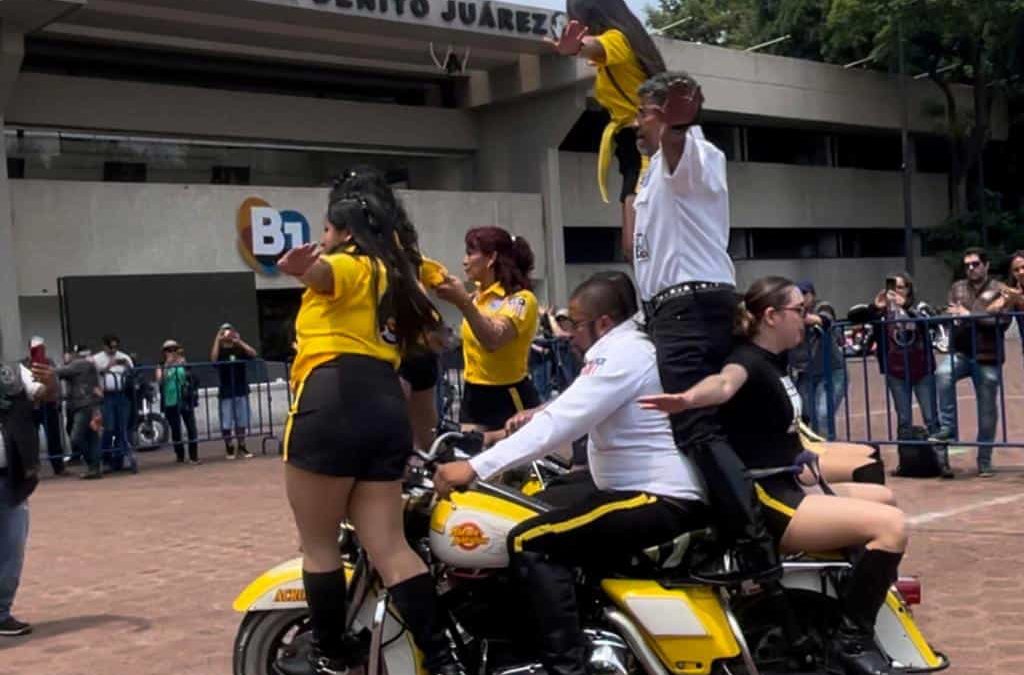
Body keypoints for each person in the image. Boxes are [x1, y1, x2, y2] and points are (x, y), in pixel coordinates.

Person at [435, 273, 708, 675]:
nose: (566, 334)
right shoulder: (625, 347)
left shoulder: (621, 352)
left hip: (657, 494)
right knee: (530, 505)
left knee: (531, 540)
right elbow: (573, 404)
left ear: (603, 323)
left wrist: (476, 467)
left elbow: (564, 424)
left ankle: (566, 666)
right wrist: (498, 435)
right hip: (625, 484)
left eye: (574, 323)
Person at [641, 276, 908, 675]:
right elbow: (724, 384)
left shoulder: (774, 359)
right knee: (892, 527)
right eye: (799, 311)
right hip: (767, 497)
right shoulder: (746, 359)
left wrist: (799, 454)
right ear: (770, 316)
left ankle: (846, 602)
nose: (810, 318)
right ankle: (849, 638)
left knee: (882, 499)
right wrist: (687, 399)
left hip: (786, 480)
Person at [273, 185, 460, 675]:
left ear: (348, 233)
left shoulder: (352, 264)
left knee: (318, 544)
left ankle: (331, 653)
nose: (323, 237)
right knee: (391, 547)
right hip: (384, 403)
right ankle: (442, 660)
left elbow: (324, 273)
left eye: (328, 230)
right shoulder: (399, 275)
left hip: (331, 396)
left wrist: (300, 268)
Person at [628, 70, 778, 576]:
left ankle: (755, 551)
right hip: (677, 308)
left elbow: (676, 142)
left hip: (689, 308)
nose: (633, 124)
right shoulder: (650, 170)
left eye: (641, 113)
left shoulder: (692, 152)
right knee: (704, 426)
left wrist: (673, 119)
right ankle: (730, 530)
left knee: (696, 429)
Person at [334, 166, 449, 450]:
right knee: (424, 442)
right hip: (411, 347)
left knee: (392, 447)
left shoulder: (365, 249)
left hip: (387, 350)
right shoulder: (402, 243)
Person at [547, 0, 666, 246]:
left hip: (642, 147)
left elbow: (596, 46)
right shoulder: (629, 43)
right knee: (638, 245)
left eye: (575, 19)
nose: (573, 24)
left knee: (637, 246)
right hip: (632, 147)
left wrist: (578, 46)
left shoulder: (617, 39)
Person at [433, 227, 540, 442]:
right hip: (473, 395)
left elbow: (494, 339)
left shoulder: (521, 299)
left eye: (470, 253)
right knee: (468, 459)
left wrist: (463, 303)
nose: (464, 261)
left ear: (491, 258)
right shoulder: (476, 297)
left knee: (514, 470)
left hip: (508, 397)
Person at [932, 248, 1009, 477]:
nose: (971, 269)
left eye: (975, 264)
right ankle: (949, 428)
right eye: (967, 265)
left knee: (987, 411)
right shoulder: (958, 287)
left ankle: (984, 460)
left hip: (988, 356)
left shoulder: (999, 289)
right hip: (962, 352)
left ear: (986, 265)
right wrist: (957, 316)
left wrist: (969, 316)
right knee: (943, 374)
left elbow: (1002, 322)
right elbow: (952, 313)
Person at [863, 273, 948, 477]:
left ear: (909, 289)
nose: (896, 291)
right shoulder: (885, 313)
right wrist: (876, 308)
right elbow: (866, 326)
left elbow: (930, 324)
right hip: (896, 370)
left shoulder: (919, 308)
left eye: (901, 287)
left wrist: (907, 308)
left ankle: (942, 462)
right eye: (893, 287)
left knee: (931, 417)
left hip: (921, 369)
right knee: (903, 419)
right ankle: (907, 463)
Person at [0, 358, 58, 637]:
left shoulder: (11, 372)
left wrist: (50, 381)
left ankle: (0, 613)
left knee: (11, 549)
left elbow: (44, 393)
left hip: (9, 477)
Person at [56, 346, 104, 479]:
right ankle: (94, 468)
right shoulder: (90, 364)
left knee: (76, 437)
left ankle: (92, 463)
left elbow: (58, 372)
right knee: (92, 437)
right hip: (92, 404)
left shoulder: (79, 364)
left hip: (84, 405)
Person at [92, 335, 138, 473]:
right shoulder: (97, 359)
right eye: (110, 347)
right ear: (104, 346)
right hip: (106, 396)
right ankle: (104, 457)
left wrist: (127, 365)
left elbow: (133, 373)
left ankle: (120, 458)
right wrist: (109, 366)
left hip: (122, 394)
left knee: (122, 428)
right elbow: (94, 376)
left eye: (115, 347)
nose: (113, 350)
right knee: (109, 427)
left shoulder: (124, 357)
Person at [210, 323, 257, 459]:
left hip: (241, 388)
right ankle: (229, 445)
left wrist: (239, 341)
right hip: (226, 389)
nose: (227, 334)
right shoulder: (220, 350)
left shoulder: (238, 348)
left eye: (229, 331)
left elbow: (253, 354)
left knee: (242, 419)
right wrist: (217, 340)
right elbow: (213, 360)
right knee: (226, 421)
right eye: (224, 332)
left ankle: (242, 445)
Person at [22, 337, 65, 476]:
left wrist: (57, 397)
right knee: (31, 438)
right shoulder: (25, 364)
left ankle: (59, 467)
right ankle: (32, 468)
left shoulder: (49, 362)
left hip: (49, 403)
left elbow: (55, 380)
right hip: (32, 405)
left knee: (54, 436)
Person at [157, 340, 200, 465]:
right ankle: (180, 455)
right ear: (164, 352)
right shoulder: (161, 365)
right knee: (176, 429)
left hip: (184, 398)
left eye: (174, 349)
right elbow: (160, 380)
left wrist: (185, 366)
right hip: (170, 399)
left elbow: (190, 377)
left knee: (191, 427)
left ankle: (194, 456)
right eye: (169, 350)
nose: (172, 352)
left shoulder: (183, 362)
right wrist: (168, 365)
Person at [987, 249, 1024, 355]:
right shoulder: (1014, 291)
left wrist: (1019, 299)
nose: (1021, 272)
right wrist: (1006, 300)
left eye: (1023, 267)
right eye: (1016, 270)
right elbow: (990, 310)